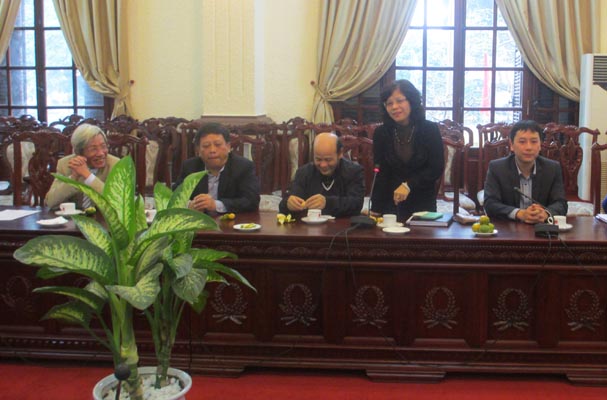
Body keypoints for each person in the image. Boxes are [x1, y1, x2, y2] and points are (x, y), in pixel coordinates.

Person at [370, 79, 444, 219]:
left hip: (422, 202)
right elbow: (380, 173)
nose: (394, 107)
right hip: (391, 203)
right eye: (389, 103)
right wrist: (376, 207)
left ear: (412, 101)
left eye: (399, 101)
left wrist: (408, 185)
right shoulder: (381, 133)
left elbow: (436, 168)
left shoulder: (429, 129)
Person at [483, 120, 567, 223]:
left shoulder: (552, 168)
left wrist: (545, 213)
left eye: (534, 142)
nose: (528, 147)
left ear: (540, 145)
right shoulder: (497, 168)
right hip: (509, 227)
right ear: (511, 145)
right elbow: (490, 204)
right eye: (522, 142)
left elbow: (561, 203)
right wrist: (519, 214)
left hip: (542, 227)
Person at [173, 122, 260, 213]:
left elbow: (252, 201)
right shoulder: (190, 167)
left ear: (228, 147)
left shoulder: (243, 167)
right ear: (198, 150)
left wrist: (216, 205)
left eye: (218, 145)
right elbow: (173, 196)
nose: (212, 150)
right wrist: (189, 205)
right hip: (198, 220)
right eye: (206, 146)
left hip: (232, 219)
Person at [279, 132, 365, 218]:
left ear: (340, 154)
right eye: (318, 159)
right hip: (309, 226)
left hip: (344, 224)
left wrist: (327, 203)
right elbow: (284, 204)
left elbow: (356, 204)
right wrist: (288, 204)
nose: (323, 165)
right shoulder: (304, 173)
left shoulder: (353, 172)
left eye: (328, 160)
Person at [45, 124, 119, 209]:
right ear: (79, 152)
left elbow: (116, 201)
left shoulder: (115, 165)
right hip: (74, 216)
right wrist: (73, 178)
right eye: (93, 149)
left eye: (103, 146)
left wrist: (88, 176)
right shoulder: (65, 164)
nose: (101, 153)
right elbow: (50, 202)